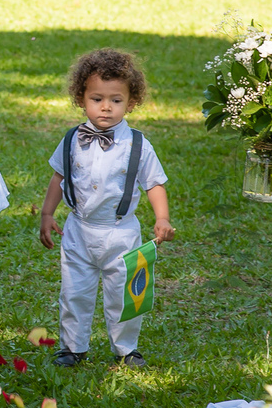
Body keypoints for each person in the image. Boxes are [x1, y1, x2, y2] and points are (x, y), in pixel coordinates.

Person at [38, 49, 175, 369]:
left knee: (126, 294)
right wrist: (47, 214)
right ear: (81, 99)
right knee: (74, 292)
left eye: (116, 100)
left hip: (121, 231)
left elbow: (154, 184)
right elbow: (59, 176)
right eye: (97, 98)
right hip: (79, 229)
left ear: (131, 102)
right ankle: (72, 347)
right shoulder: (72, 138)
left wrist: (162, 217)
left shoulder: (138, 144)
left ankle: (126, 348)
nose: (106, 107)